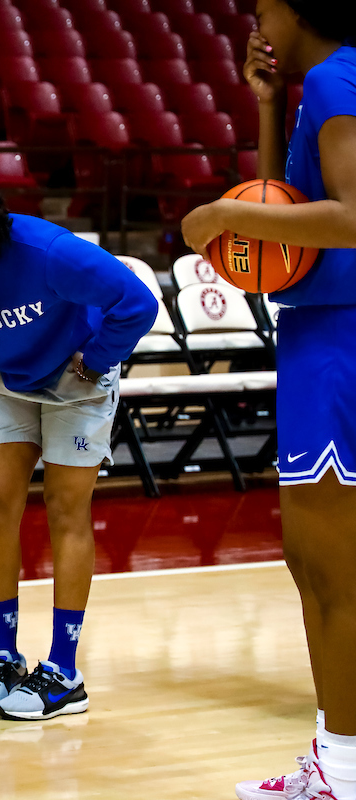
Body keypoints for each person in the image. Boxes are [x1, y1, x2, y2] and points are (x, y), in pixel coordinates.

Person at [0, 168, 156, 721]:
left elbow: (137, 303)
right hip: (6, 382)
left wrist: (98, 360)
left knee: (66, 510)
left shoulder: (49, 252)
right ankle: (6, 656)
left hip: (76, 379)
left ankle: (64, 672)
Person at [180, 3, 356, 797]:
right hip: (330, 333)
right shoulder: (320, 81)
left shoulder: (335, 76)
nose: (256, 23)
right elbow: (284, 221)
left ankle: (343, 769)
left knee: (326, 573)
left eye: (261, 9)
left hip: (337, 341)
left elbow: (351, 219)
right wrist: (265, 102)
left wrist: (220, 214)